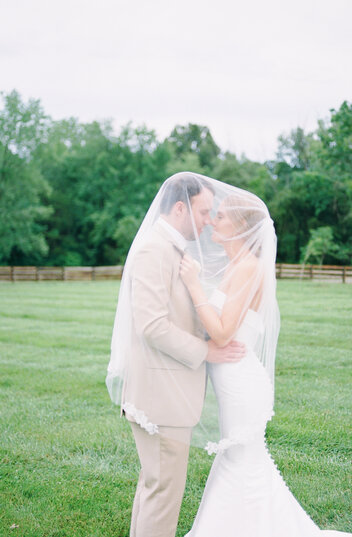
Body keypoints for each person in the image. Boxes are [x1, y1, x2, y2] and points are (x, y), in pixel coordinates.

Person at [179, 186, 352, 537]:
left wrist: (194, 285)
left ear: (240, 226)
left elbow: (223, 333)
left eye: (220, 215)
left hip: (241, 384)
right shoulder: (236, 266)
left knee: (240, 461)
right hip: (233, 382)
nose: (212, 221)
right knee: (240, 460)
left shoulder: (248, 268)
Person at [106, 173, 246, 537]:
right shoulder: (155, 249)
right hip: (160, 398)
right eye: (202, 211)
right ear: (180, 207)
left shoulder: (172, 249)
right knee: (163, 494)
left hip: (164, 395)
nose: (206, 220)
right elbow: (152, 325)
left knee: (155, 490)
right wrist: (207, 351)